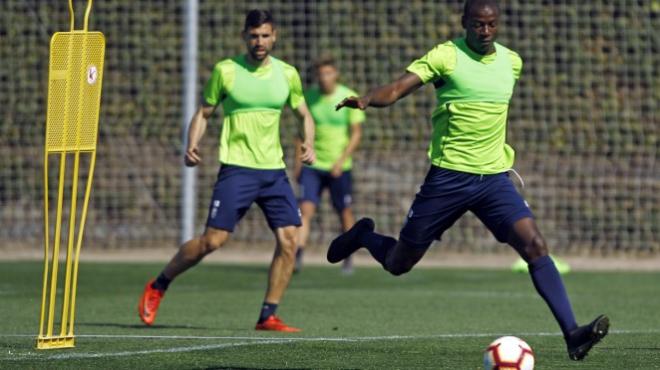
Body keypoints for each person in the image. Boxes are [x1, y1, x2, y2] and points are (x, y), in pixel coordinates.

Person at [328, 0, 608, 360]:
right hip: (448, 178)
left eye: (491, 25)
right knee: (400, 262)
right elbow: (398, 88)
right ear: (465, 23)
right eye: (478, 25)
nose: (485, 32)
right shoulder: (447, 57)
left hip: (493, 179)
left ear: (499, 24)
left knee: (535, 245)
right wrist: (368, 99)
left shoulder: (512, 62)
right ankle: (364, 234)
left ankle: (573, 333)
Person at [138, 9, 316, 333]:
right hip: (238, 169)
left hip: (274, 171)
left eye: (265, 36)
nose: (259, 42)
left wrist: (310, 142)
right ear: (244, 36)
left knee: (290, 241)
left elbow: (304, 113)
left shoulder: (287, 74)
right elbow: (204, 113)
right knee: (213, 241)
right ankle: (160, 284)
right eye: (253, 36)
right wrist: (191, 143)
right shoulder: (227, 71)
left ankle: (268, 315)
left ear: (274, 36)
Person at [294, 57, 365, 274]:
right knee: (304, 210)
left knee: (344, 211)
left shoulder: (348, 97)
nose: (324, 78)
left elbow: (356, 134)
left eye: (328, 73)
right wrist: (298, 162)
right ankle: (296, 257)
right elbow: (300, 135)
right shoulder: (310, 98)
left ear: (336, 74)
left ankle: (348, 257)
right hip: (313, 166)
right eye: (320, 74)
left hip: (339, 167)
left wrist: (341, 161)